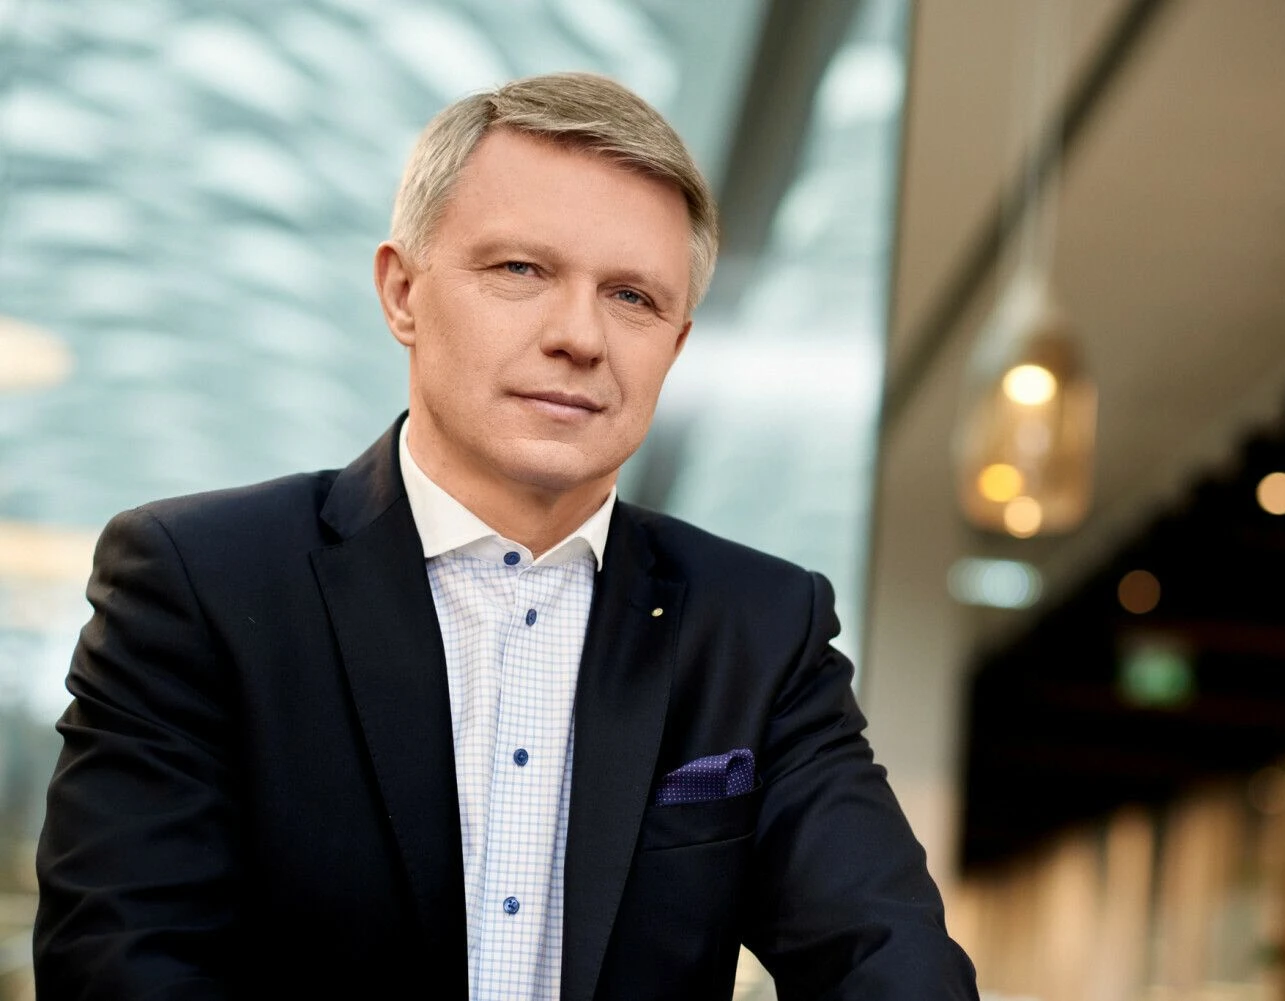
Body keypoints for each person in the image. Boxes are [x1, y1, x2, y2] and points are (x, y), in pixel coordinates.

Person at [33, 72, 978, 1000]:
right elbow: (122, 964)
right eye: (522, 270)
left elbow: (886, 955)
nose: (581, 336)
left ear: (677, 346)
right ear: (402, 292)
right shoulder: (201, 582)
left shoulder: (759, 629)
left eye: (633, 297)